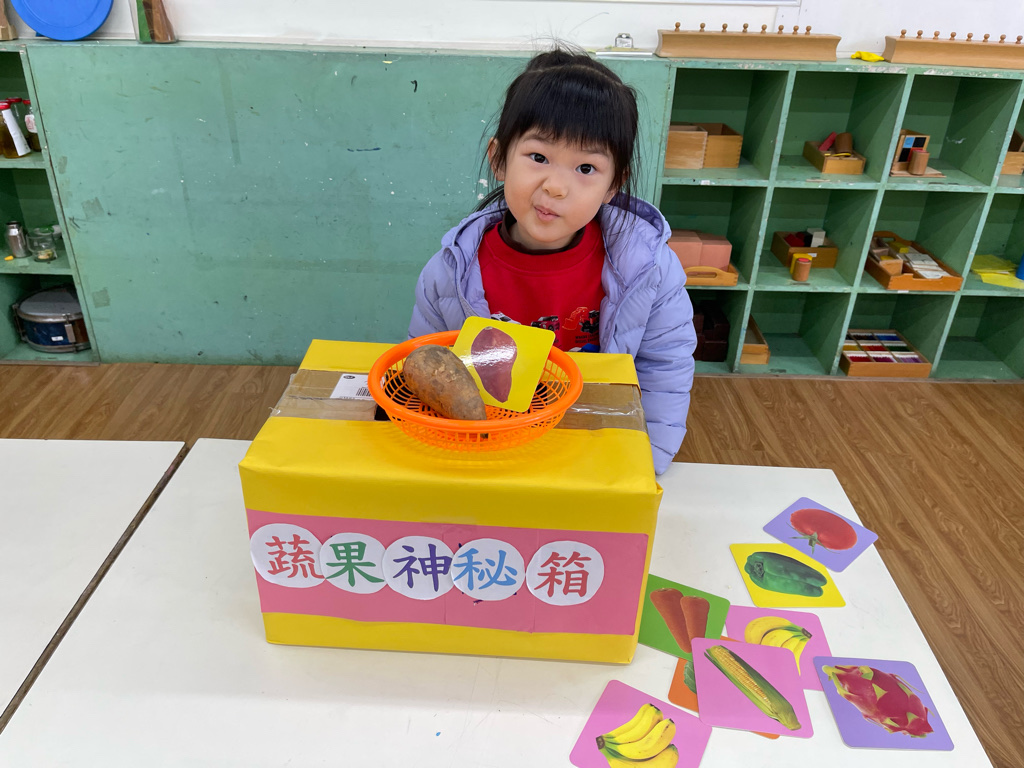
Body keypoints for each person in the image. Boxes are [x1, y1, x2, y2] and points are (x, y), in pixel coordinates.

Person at [408, 47, 696, 474]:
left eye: (586, 168)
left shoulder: (649, 269)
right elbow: (426, 375)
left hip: (594, 449)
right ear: (499, 158)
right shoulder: (450, 272)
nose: (556, 187)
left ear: (613, 184)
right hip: (489, 454)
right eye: (539, 158)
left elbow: (664, 371)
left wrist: (642, 464)